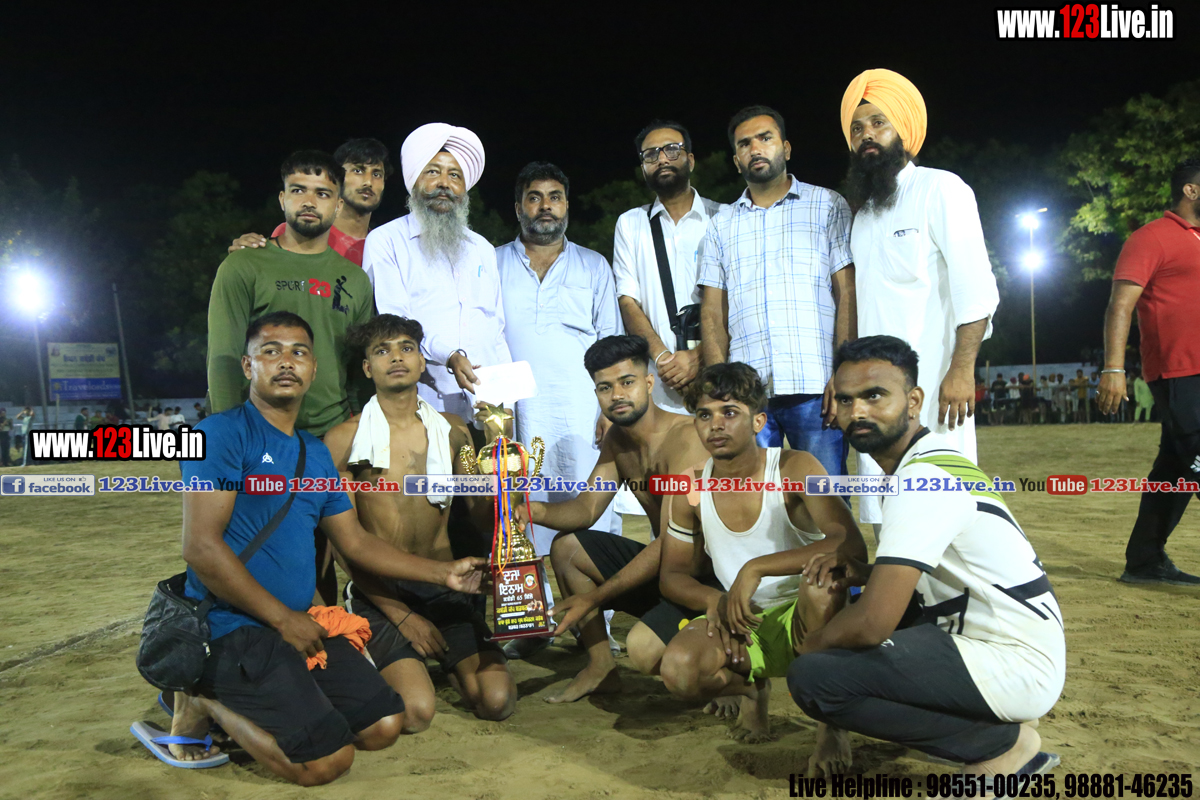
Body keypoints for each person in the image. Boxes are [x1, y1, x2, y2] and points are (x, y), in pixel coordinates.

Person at [162, 311, 487, 785]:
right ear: (248, 366)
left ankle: (275, 696)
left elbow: (354, 541)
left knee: (384, 725)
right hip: (236, 625)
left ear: (313, 369)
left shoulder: (313, 452)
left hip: (300, 625)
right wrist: (283, 619)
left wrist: (444, 573)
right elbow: (200, 549)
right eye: (270, 351)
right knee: (324, 763)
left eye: (299, 352)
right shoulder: (217, 435)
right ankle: (200, 700)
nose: (286, 362)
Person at [788, 335, 1064, 778]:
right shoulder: (932, 460)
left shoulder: (920, 481)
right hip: (1013, 644)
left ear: (913, 401)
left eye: (874, 396)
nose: (857, 412)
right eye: (845, 399)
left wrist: (809, 647)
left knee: (815, 678)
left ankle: (1003, 747)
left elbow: (872, 623)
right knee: (880, 614)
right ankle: (998, 723)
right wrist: (868, 572)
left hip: (1010, 661)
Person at [658, 363, 865, 767]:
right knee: (679, 670)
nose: (715, 425)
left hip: (805, 612)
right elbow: (672, 575)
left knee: (823, 581)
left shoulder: (794, 467)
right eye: (704, 415)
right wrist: (715, 601)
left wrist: (756, 568)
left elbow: (850, 544)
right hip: (743, 616)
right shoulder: (690, 486)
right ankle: (752, 690)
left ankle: (831, 725)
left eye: (729, 412)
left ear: (758, 421)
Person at [323, 315, 516, 733]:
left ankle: (443, 660)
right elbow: (343, 545)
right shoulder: (342, 440)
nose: (396, 357)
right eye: (382, 351)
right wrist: (401, 616)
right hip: (383, 591)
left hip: (447, 586)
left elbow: (478, 515)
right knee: (415, 713)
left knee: (496, 701)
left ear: (422, 362)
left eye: (406, 348)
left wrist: (502, 487)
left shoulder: (454, 430)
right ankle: (379, 655)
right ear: (367, 368)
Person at [207, 150, 374, 604]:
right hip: (260, 440)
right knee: (265, 559)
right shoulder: (244, 265)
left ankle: (331, 639)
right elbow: (224, 357)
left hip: (328, 441)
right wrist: (232, 440)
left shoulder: (354, 280)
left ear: (337, 205)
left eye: (322, 193)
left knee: (325, 560)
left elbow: (358, 369)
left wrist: (359, 433)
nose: (309, 201)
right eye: (298, 190)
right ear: (282, 199)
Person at [514, 335, 718, 705]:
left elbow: (673, 541)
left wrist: (593, 598)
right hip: (666, 575)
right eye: (605, 387)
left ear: (649, 383)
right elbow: (587, 509)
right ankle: (600, 667)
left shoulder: (687, 439)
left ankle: (733, 672)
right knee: (567, 548)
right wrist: (535, 511)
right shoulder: (618, 441)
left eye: (627, 382)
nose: (617, 395)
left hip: (707, 583)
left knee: (646, 651)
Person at [841, 69, 999, 526]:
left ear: (903, 130)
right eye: (857, 128)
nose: (867, 135)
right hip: (875, 392)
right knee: (883, 510)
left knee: (940, 502)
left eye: (878, 123)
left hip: (935, 386)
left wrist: (961, 370)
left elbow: (976, 288)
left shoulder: (941, 188)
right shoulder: (862, 215)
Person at [495, 162, 623, 658]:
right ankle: (530, 623)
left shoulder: (593, 265)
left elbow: (610, 341)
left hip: (581, 414)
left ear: (567, 205)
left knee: (591, 515)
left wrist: (609, 408)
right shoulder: (492, 263)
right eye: (534, 197)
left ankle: (596, 625)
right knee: (520, 517)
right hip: (518, 413)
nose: (544, 206)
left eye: (554, 196)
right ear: (518, 207)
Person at [699, 106, 855, 478]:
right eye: (744, 144)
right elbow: (713, 312)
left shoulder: (827, 205)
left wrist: (844, 373)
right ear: (736, 160)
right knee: (749, 501)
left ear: (785, 148)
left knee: (823, 497)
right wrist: (721, 389)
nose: (755, 149)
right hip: (746, 395)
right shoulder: (721, 225)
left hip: (816, 386)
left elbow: (847, 293)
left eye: (765, 138)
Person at [1099, 157, 1200, 585]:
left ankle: (1144, 561)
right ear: (1191, 190)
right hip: (1179, 372)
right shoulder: (1150, 237)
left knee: (1175, 470)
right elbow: (1120, 305)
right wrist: (1114, 367)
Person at [363, 123, 508, 421]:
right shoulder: (387, 240)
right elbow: (397, 323)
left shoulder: (482, 248)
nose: (444, 183)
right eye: (432, 171)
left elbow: (496, 330)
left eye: (455, 175)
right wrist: (449, 355)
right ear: (414, 180)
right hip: (423, 402)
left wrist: (506, 399)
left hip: (486, 405)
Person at [612, 120, 724, 414]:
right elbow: (627, 301)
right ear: (643, 168)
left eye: (671, 150)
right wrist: (664, 359)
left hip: (722, 375)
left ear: (691, 160)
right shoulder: (630, 224)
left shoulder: (724, 218)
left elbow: (740, 299)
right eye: (651, 154)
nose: (661, 159)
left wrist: (698, 356)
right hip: (661, 384)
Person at [229, 138, 393, 266]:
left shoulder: (387, 247)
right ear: (337, 178)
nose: (368, 182)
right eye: (358, 170)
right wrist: (245, 256)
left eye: (377, 174)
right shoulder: (293, 232)